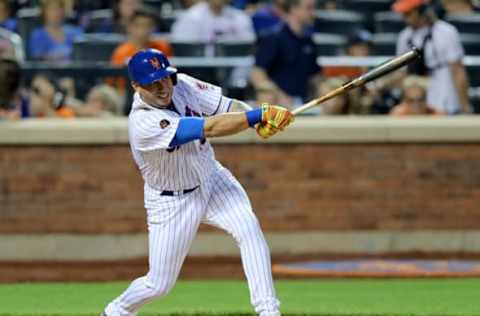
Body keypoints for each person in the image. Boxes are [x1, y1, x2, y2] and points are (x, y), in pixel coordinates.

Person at [102, 49, 293, 316]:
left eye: (165, 79)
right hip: (172, 200)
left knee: (249, 228)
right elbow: (210, 127)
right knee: (159, 284)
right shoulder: (142, 122)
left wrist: (254, 118)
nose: (162, 88)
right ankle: (117, 310)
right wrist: (256, 116)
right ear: (136, 86)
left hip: (211, 178)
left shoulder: (183, 85)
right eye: (152, 83)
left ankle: (269, 311)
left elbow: (227, 107)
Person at [393, 0, 471, 114]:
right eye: (404, 14)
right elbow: (401, 74)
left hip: (445, 98)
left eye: (408, 13)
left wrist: (465, 106)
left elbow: (458, 71)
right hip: (419, 103)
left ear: (421, 11)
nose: (405, 18)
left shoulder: (446, 32)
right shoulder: (404, 36)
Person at [250, 0, 321, 110]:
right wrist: (281, 97)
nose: (313, 13)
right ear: (294, 9)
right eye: (309, 8)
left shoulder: (308, 41)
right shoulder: (273, 38)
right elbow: (257, 74)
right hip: (277, 107)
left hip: (303, 104)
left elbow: (315, 77)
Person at [171, 0, 255, 42]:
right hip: (198, 71)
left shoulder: (241, 18)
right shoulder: (190, 17)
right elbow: (183, 50)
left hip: (235, 71)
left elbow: (247, 48)